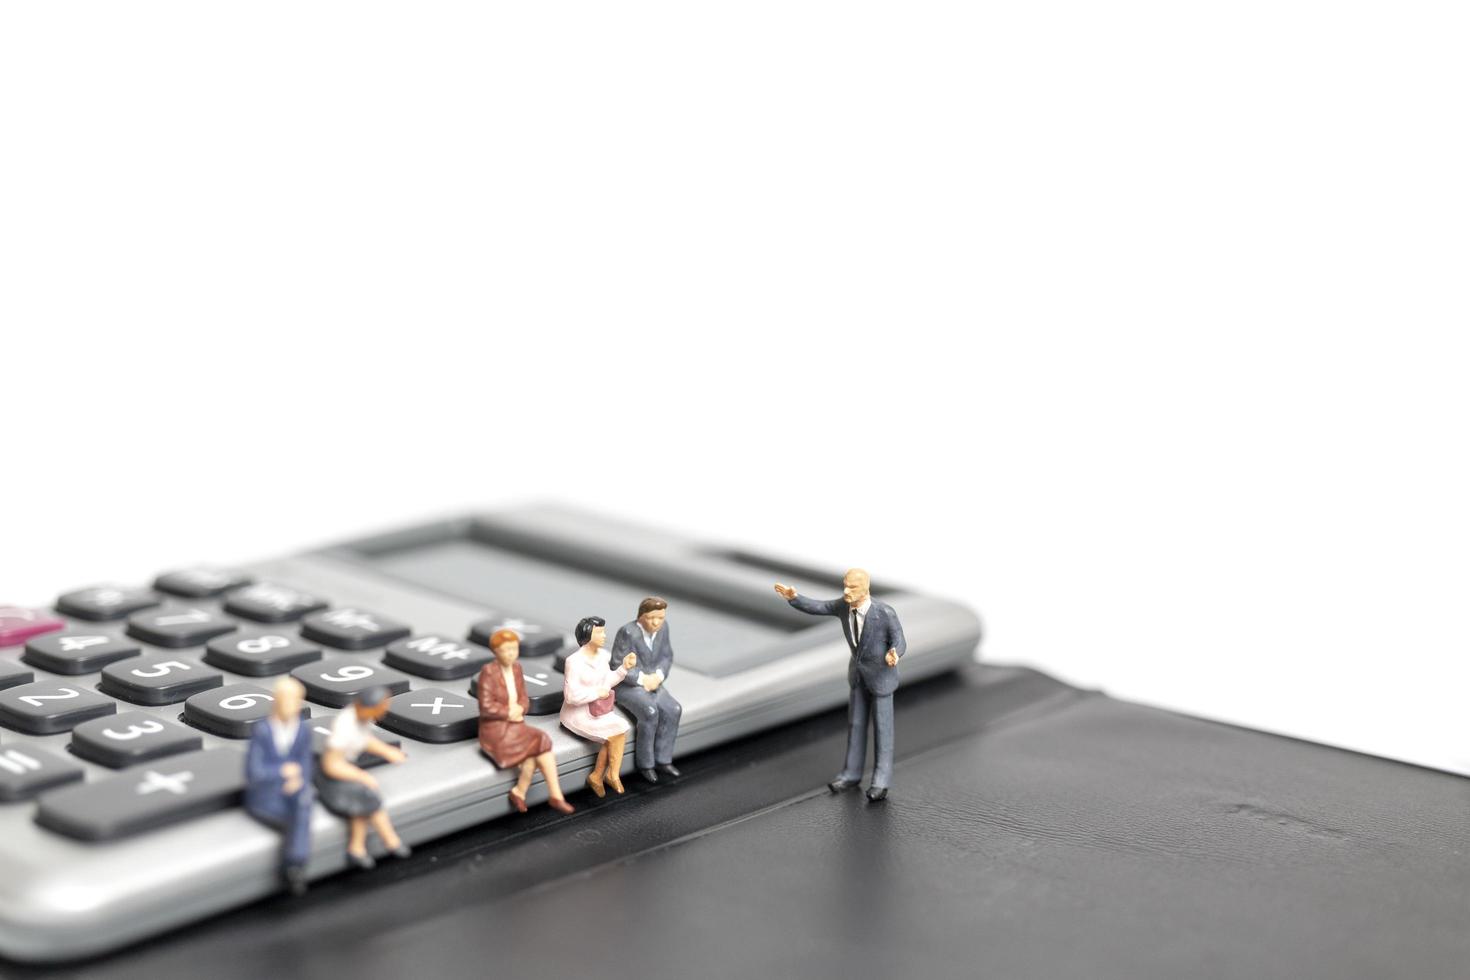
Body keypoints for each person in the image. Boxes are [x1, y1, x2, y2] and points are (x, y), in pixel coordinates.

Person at [775, 569, 905, 801]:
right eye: (845, 586)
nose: (846, 591)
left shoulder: (884, 613)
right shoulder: (844, 606)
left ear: (865, 588)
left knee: (883, 731)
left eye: (852, 588)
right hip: (857, 676)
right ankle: (851, 774)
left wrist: (894, 652)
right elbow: (820, 607)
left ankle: (881, 781)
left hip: (882, 679)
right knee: (855, 725)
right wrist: (794, 598)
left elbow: (899, 639)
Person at [478, 628, 575, 814]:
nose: (510, 654)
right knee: (536, 751)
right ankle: (527, 792)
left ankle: (553, 795)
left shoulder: (517, 669)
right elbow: (486, 707)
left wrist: (520, 708)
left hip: (516, 725)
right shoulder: (488, 673)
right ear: (495, 651)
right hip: (496, 730)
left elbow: (524, 699)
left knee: (542, 744)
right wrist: (508, 712)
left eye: (514, 649)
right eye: (506, 650)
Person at [318, 686, 411, 869]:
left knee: (363, 805)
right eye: (381, 708)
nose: (383, 713)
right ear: (368, 707)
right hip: (332, 779)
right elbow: (331, 765)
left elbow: (364, 741)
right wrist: (361, 776)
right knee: (369, 799)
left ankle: (359, 849)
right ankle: (390, 841)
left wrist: (387, 751)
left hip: (345, 772)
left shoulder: (360, 719)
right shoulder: (345, 726)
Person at [243, 676, 314, 894]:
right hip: (266, 797)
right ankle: (293, 865)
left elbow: (305, 763)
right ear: (277, 701)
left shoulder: (302, 730)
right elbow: (254, 773)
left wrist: (298, 780)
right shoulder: (263, 731)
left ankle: (295, 864)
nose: (292, 707)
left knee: (303, 804)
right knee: (298, 815)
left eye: (297, 701)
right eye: (288, 700)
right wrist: (281, 773)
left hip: (294, 792)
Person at [559, 616, 639, 797]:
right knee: (616, 733)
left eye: (604, 631)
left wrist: (623, 669)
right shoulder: (574, 661)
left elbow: (607, 682)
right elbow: (571, 696)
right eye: (600, 632)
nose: (604, 635)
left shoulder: (604, 656)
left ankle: (601, 775)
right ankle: (608, 775)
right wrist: (596, 693)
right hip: (577, 713)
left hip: (598, 710)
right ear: (587, 635)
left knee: (619, 728)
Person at [609, 597, 683, 784]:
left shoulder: (664, 628)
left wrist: (658, 676)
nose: (657, 623)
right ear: (641, 616)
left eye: (661, 618)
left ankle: (663, 760)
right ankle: (646, 765)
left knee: (673, 709)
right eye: (652, 618)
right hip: (629, 685)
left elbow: (667, 656)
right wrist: (642, 679)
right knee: (650, 712)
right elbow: (617, 664)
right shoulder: (628, 632)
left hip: (655, 682)